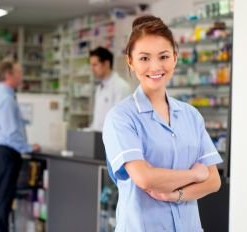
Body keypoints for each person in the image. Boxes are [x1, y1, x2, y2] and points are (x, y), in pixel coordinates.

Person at [102, 15, 223, 232]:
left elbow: (213, 181)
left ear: (175, 58)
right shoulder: (121, 117)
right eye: (145, 58)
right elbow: (144, 178)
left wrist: (176, 194)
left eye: (164, 56)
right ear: (130, 61)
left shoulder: (191, 115)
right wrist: (195, 175)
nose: (155, 67)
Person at [0, 59, 41, 232]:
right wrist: (28, 147)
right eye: (18, 72)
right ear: (9, 75)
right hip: (6, 155)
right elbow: (10, 134)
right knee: (3, 201)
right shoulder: (6, 100)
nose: (21, 75)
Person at [90, 47, 131, 131]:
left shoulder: (121, 87)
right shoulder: (100, 87)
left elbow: (121, 121)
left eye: (95, 64)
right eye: (91, 65)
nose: (92, 68)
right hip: (98, 138)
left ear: (107, 64)